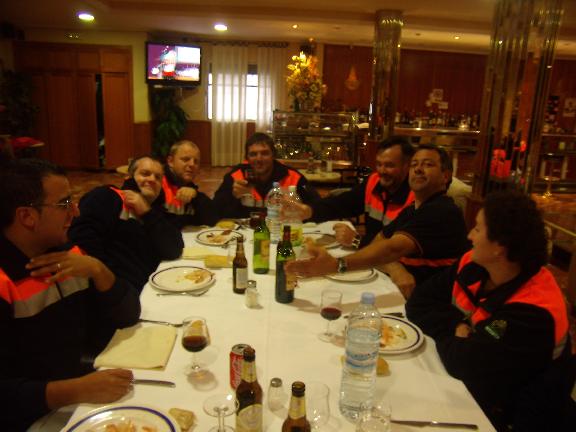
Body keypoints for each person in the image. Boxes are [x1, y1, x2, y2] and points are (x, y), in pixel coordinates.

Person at [405, 191, 575, 430]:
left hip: (512, 417)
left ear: (500, 247)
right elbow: (418, 302)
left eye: (477, 228)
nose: (469, 235)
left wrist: (458, 341)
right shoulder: (473, 263)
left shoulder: (534, 311)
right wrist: (458, 328)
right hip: (473, 391)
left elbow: (465, 366)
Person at [0, 159, 140, 431]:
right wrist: (77, 389)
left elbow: (128, 315)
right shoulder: (5, 282)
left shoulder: (67, 254)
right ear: (27, 216)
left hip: (76, 395)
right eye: (64, 204)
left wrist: (99, 270)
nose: (75, 211)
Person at [286, 144, 469, 297]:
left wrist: (336, 265)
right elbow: (378, 243)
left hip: (429, 303)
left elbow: (391, 249)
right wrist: (394, 266)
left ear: (445, 176)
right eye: (415, 164)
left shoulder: (442, 210)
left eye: (428, 164)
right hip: (399, 290)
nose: (418, 169)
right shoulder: (413, 209)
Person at [69, 155, 184, 291]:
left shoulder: (157, 211)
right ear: (129, 177)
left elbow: (174, 250)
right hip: (120, 292)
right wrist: (117, 285)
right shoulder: (107, 196)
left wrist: (147, 212)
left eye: (158, 177)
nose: (152, 179)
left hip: (155, 288)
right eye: (145, 174)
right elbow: (81, 241)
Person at [285, 136, 415, 248]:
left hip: (400, 265)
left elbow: (396, 247)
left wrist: (357, 240)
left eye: (389, 165)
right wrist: (309, 210)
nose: (382, 170)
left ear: (407, 166)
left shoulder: (416, 197)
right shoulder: (374, 181)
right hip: (373, 259)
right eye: (379, 164)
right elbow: (343, 203)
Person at [213, 132, 320, 219]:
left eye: (264, 153)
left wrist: (305, 209)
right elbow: (215, 210)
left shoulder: (293, 177)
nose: (259, 159)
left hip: (279, 232)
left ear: (273, 155)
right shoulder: (235, 177)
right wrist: (232, 196)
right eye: (253, 154)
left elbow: (318, 207)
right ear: (247, 158)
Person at [163, 140, 219, 228]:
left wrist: (196, 196)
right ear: (170, 161)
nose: (192, 164)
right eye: (185, 159)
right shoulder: (158, 183)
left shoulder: (189, 186)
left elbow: (213, 218)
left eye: (196, 161)